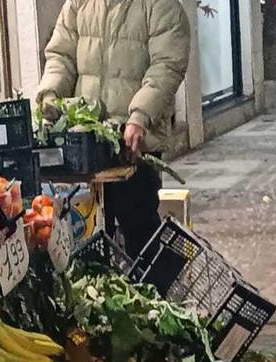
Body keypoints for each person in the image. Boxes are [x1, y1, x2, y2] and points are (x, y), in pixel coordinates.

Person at [36, 0, 191, 257]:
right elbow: (60, 56)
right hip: (86, 144)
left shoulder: (160, 5)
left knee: (140, 229)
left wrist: (140, 115)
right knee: (89, 231)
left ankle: (152, 292)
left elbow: (167, 65)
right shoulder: (79, 3)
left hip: (133, 144)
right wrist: (50, 94)